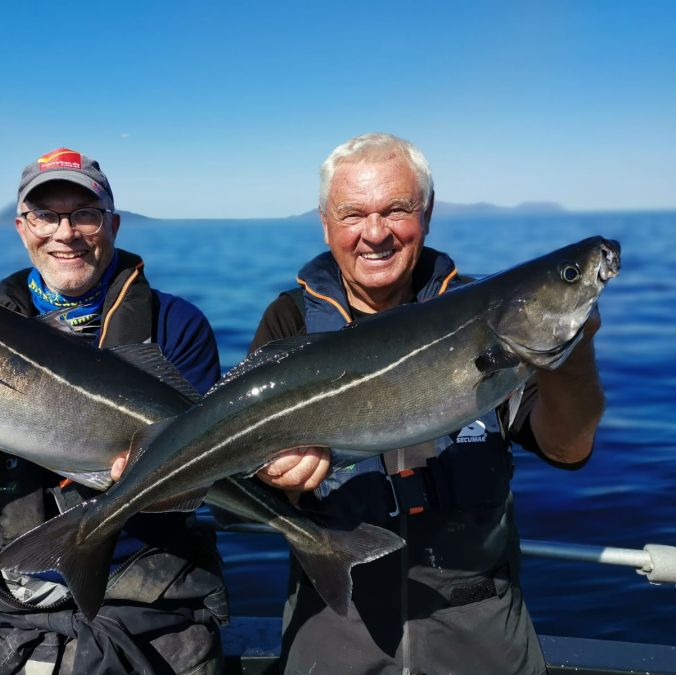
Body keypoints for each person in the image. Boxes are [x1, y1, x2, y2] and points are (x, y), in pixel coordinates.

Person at [250, 133, 605, 675]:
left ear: (428, 213)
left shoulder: (495, 316)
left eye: (397, 209)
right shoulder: (289, 324)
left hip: (481, 631)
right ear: (326, 223)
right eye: (353, 214)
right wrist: (278, 479)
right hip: (337, 626)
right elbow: (248, 480)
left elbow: (568, 447)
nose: (376, 233)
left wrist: (574, 354)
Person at [0, 147, 228, 674]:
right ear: (22, 226)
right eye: (45, 214)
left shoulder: (175, 324)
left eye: (84, 213)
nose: (65, 233)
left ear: (113, 223)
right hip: (22, 617)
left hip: (159, 612)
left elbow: (203, 472)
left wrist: (155, 478)